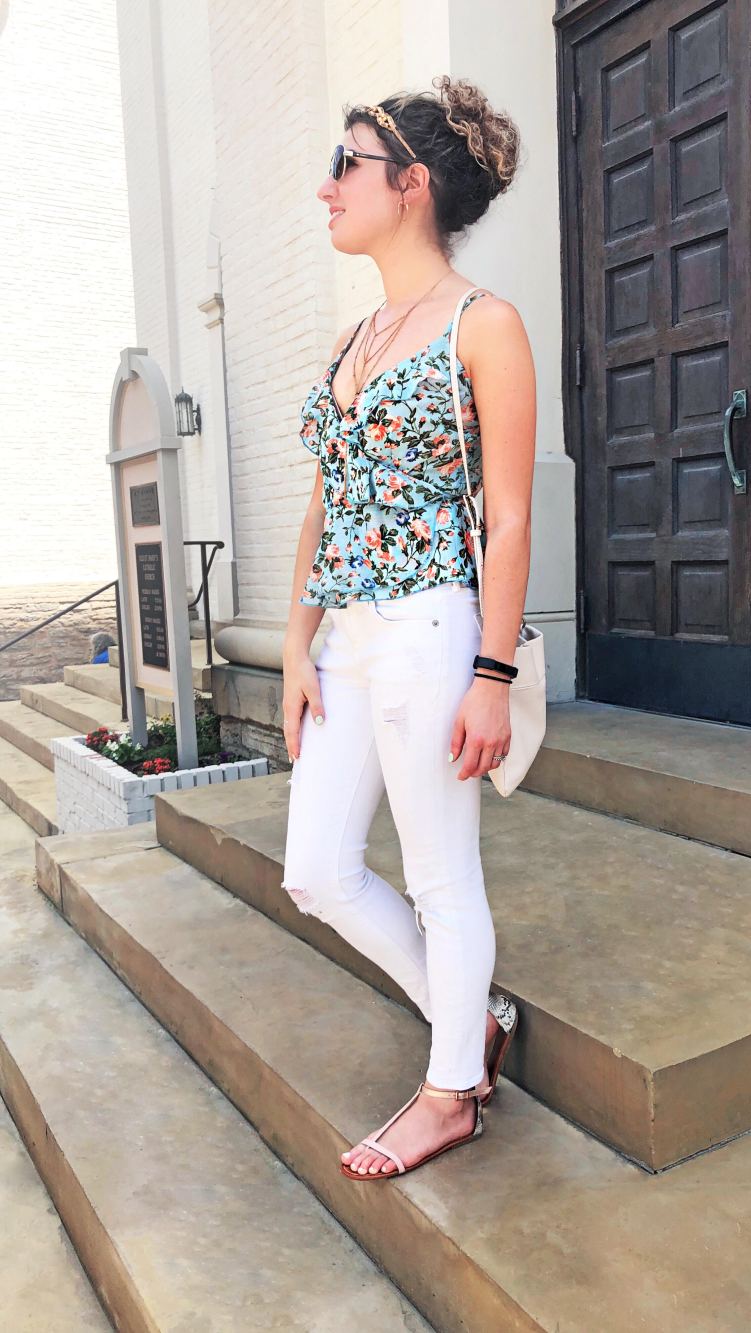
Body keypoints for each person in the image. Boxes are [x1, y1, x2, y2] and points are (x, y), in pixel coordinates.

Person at [280, 78, 535, 1182]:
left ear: (412, 183)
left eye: (346, 164)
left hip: (434, 626)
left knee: (440, 876)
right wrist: (296, 646)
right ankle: (469, 1018)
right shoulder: (355, 338)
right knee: (314, 870)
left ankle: (450, 1095)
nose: (327, 187)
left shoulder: (486, 325)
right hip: (345, 641)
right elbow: (324, 506)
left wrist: (492, 672)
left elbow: (510, 515)